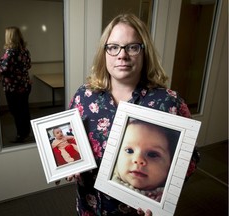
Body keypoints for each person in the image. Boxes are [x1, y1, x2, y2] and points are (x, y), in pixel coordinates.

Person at [67, 13, 200, 216]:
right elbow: (71, 137)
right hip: (89, 207)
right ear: (104, 52)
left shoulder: (168, 102)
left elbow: (190, 158)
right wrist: (68, 164)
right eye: (113, 47)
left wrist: (162, 196)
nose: (122, 55)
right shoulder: (84, 97)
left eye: (132, 47)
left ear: (144, 52)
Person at [112, 118, 180, 202]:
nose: (138, 160)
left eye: (152, 154)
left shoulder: (168, 199)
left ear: (171, 163)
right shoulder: (107, 176)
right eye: (129, 151)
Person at [0, 26, 32, 143]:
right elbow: (28, 66)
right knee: (24, 110)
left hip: (13, 88)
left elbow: (4, 69)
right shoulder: (24, 50)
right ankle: (25, 132)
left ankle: (21, 135)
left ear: (9, 37)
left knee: (16, 112)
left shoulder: (10, 52)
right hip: (25, 85)